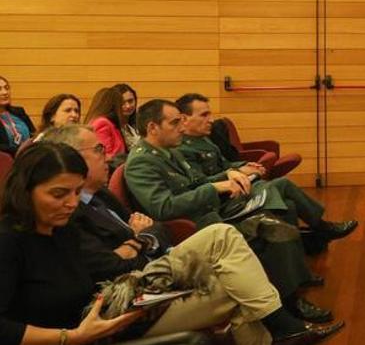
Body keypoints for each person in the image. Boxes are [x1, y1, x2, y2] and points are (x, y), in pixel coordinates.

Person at [40, 124, 344, 345]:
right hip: (129, 303)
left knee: (247, 292)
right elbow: (113, 264)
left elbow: (155, 228)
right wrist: (142, 239)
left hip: (155, 275)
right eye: (98, 149)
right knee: (223, 240)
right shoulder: (69, 212)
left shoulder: (101, 194)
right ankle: (285, 328)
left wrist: (139, 239)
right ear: (71, 159)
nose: (107, 156)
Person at [0, 142, 210, 345]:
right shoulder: (8, 241)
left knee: (196, 343)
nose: (72, 203)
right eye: (59, 194)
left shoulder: (64, 232)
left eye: (77, 192)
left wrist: (133, 301)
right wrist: (71, 337)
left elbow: (84, 291)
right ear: (25, 191)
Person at [123, 100, 335, 323]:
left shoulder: (167, 150)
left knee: (279, 215)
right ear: (152, 128)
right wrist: (214, 187)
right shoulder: (140, 162)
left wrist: (228, 175)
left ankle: (293, 288)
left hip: (212, 212)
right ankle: (289, 306)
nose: (182, 128)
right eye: (175, 122)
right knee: (270, 230)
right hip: (194, 227)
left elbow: (197, 181)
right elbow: (164, 207)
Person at [174, 93, 356, 243]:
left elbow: (225, 164)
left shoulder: (204, 140)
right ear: (184, 119)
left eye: (210, 114)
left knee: (290, 206)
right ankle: (320, 227)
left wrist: (243, 166)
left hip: (237, 189)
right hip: (222, 201)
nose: (211, 120)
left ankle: (300, 261)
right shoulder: (180, 148)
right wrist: (232, 174)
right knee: (282, 185)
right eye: (204, 115)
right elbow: (199, 183)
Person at [84, 86, 129, 163]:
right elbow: (105, 155)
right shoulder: (102, 123)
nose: (125, 107)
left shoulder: (108, 122)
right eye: (121, 104)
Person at [0, 76, 34, 156]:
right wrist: (21, 150)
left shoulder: (19, 111)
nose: (5, 92)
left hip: (30, 157)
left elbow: (33, 133)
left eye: (7, 88)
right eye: (0, 89)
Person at [111, 83, 141, 151]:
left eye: (130, 101)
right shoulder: (111, 126)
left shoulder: (134, 125)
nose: (128, 106)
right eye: (122, 102)